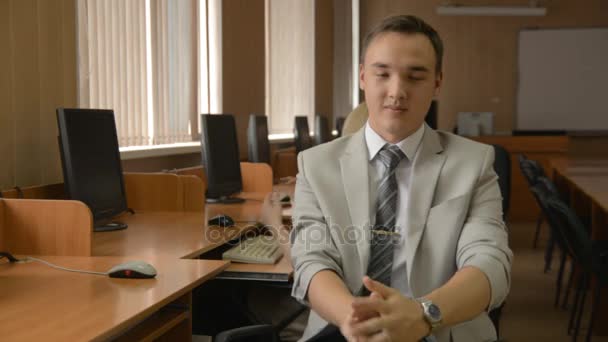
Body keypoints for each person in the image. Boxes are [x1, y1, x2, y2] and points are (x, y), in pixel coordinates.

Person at [290, 15, 512, 342]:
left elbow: (489, 259)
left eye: (415, 76)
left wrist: (423, 314)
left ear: (437, 82)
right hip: (343, 327)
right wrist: (353, 318)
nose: (397, 92)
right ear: (363, 76)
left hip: (440, 328)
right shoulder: (316, 164)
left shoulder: (474, 163)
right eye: (382, 74)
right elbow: (311, 259)